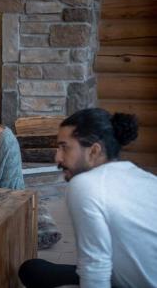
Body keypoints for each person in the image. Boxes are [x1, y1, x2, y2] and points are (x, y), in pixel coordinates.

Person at [19, 108, 157, 288]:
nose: (57, 157)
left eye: (64, 147)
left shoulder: (86, 184)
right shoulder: (144, 177)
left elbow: (95, 267)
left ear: (94, 151)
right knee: (33, 269)